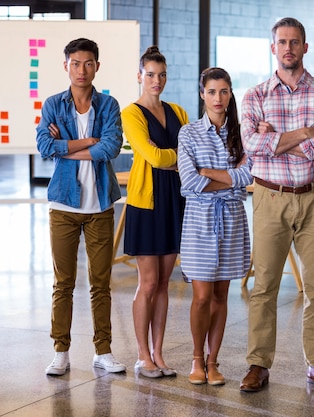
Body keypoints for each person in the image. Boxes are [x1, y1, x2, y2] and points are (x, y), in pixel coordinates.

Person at [239, 17, 314, 393]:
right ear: (273, 48)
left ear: (305, 47)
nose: (288, 48)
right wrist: (303, 134)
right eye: (282, 42)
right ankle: (257, 365)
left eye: (295, 42)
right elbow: (251, 145)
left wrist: (277, 138)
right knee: (264, 285)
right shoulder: (254, 96)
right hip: (269, 196)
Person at [36, 38, 126, 376]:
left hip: (100, 204)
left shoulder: (108, 105)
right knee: (64, 283)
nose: (81, 69)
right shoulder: (53, 105)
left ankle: (103, 350)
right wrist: (89, 141)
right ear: (66, 66)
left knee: (100, 283)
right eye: (75, 63)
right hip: (63, 205)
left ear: (96, 67)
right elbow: (45, 146)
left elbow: (111, 147)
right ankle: (61, 350)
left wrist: (68, 147)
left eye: (88, 63)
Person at [178, 67, 252, 385]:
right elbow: (189, 182)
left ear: (230, 93)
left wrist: (209, 171)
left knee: (222, 296)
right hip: (199, 222)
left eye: (223, 91)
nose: (218, 98)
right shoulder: (188, 133)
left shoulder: (243, 133)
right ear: (202, 94)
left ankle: (212, 362)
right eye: (211, 92)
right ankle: (196, 359)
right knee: (202, 296)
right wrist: (227, 177)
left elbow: (248, 176)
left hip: (232, 220)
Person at [120, 46, 189, 378]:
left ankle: (159, 353)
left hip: (175, 202)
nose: (156, 80)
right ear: (139, 76)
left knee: (164, 282)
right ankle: (142, 354)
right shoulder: (131, 113)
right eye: (150, 75)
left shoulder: (177, 110)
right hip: (146, 204)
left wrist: (175, 155)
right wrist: (180, 157)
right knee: (147, 283)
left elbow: (191, 150)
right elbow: (153, 156)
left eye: (161, 75)